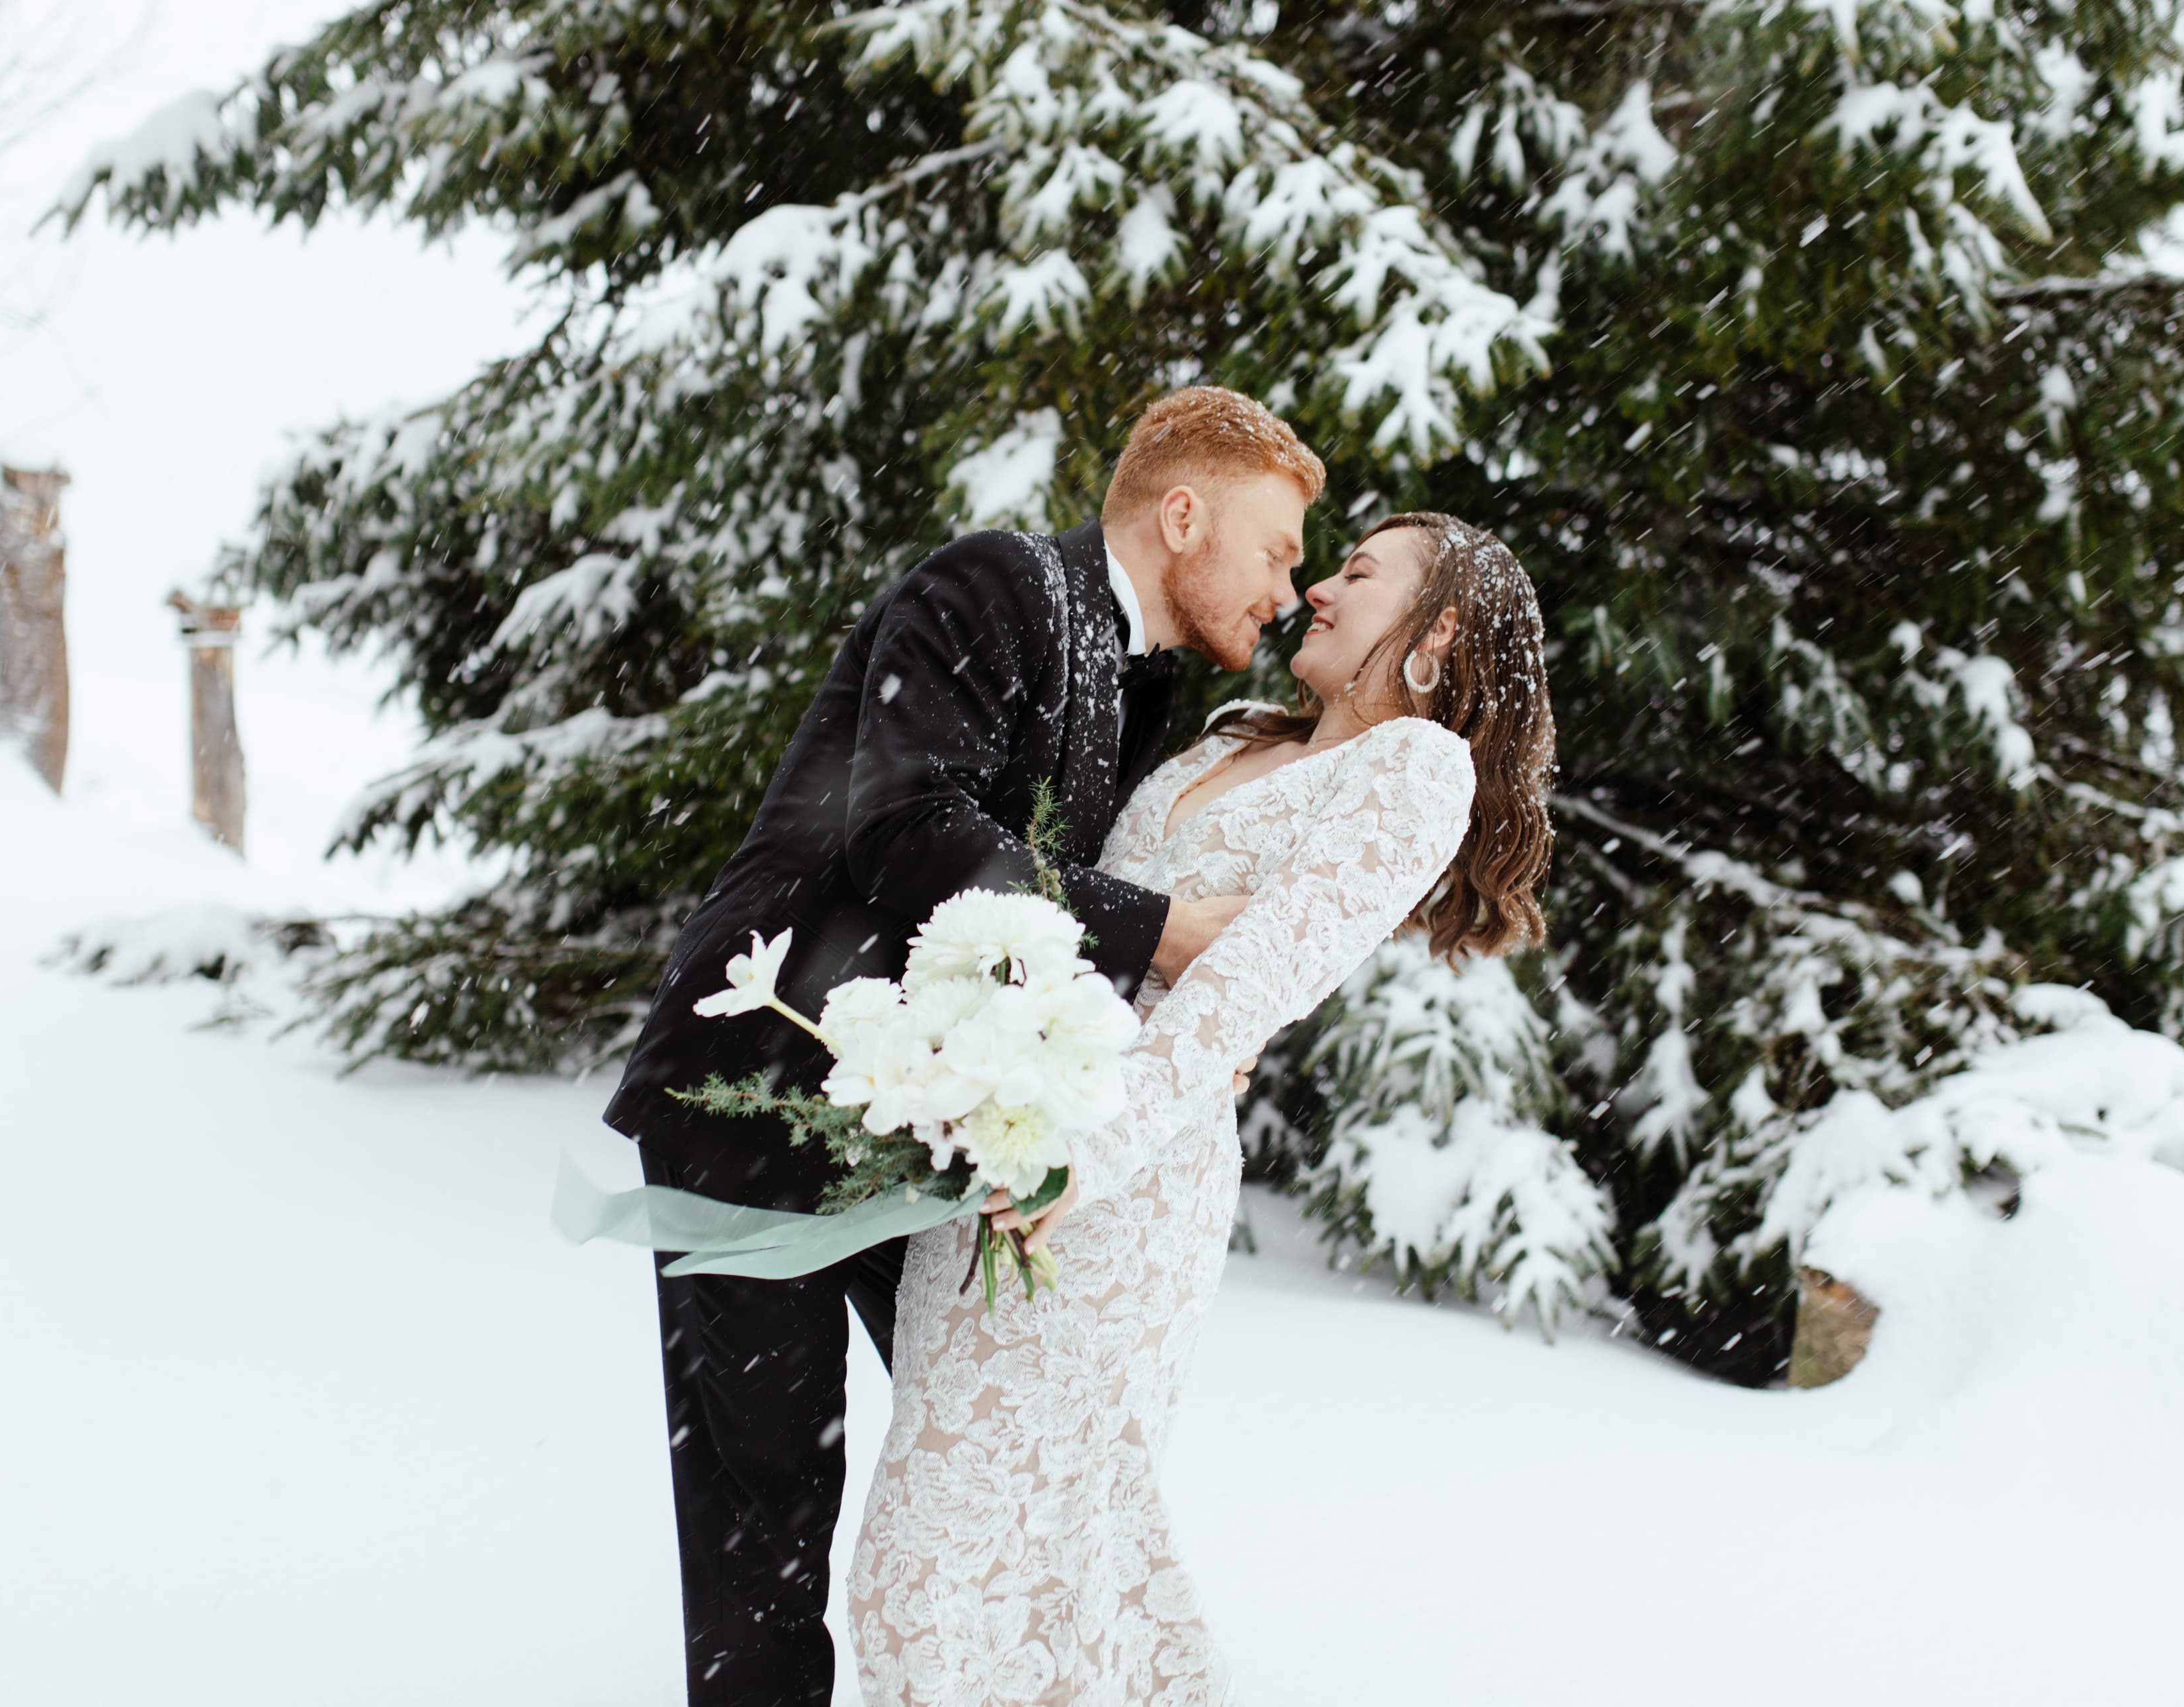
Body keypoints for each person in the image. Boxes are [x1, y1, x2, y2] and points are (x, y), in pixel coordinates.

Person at [600, 386, 1328, 1706]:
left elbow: (1031, 920)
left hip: (919, 1122)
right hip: (759, 1088)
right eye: (1276, 548)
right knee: (765, 1513)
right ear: (1183, 516)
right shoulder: (996, 582)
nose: (1291, 586)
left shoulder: (1147, 681)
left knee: (1010, 1438)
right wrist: (1161, 935)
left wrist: (1160, 1027)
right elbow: (906, 826)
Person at [848, 511, 1558, 1704]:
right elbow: (1075, 913)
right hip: (1008, 1157)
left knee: (929, 1572)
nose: (1319, 589)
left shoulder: (1413, 769)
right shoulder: (1224, 737)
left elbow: (1246, 988)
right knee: (1049, 1552)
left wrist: (1094, 1158)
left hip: (1112, 1198)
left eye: (1360, 572)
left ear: (1437, 630)